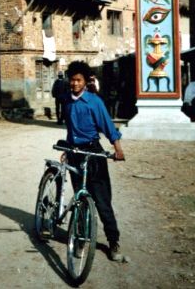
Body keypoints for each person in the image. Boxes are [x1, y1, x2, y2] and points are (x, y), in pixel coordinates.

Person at [62, 60, 125, 261]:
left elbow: (107, 126)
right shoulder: (67, 100)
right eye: (72, 80)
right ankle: (80, 240)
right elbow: (70, 129)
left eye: (78, 80)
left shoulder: (94, 102)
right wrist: (67, 147)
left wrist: (118, 149)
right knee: (80, 199)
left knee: (102, 200)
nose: (74, 84)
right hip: (75, 153)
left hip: (94, 153)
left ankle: (113, 242)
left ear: (86, 81)